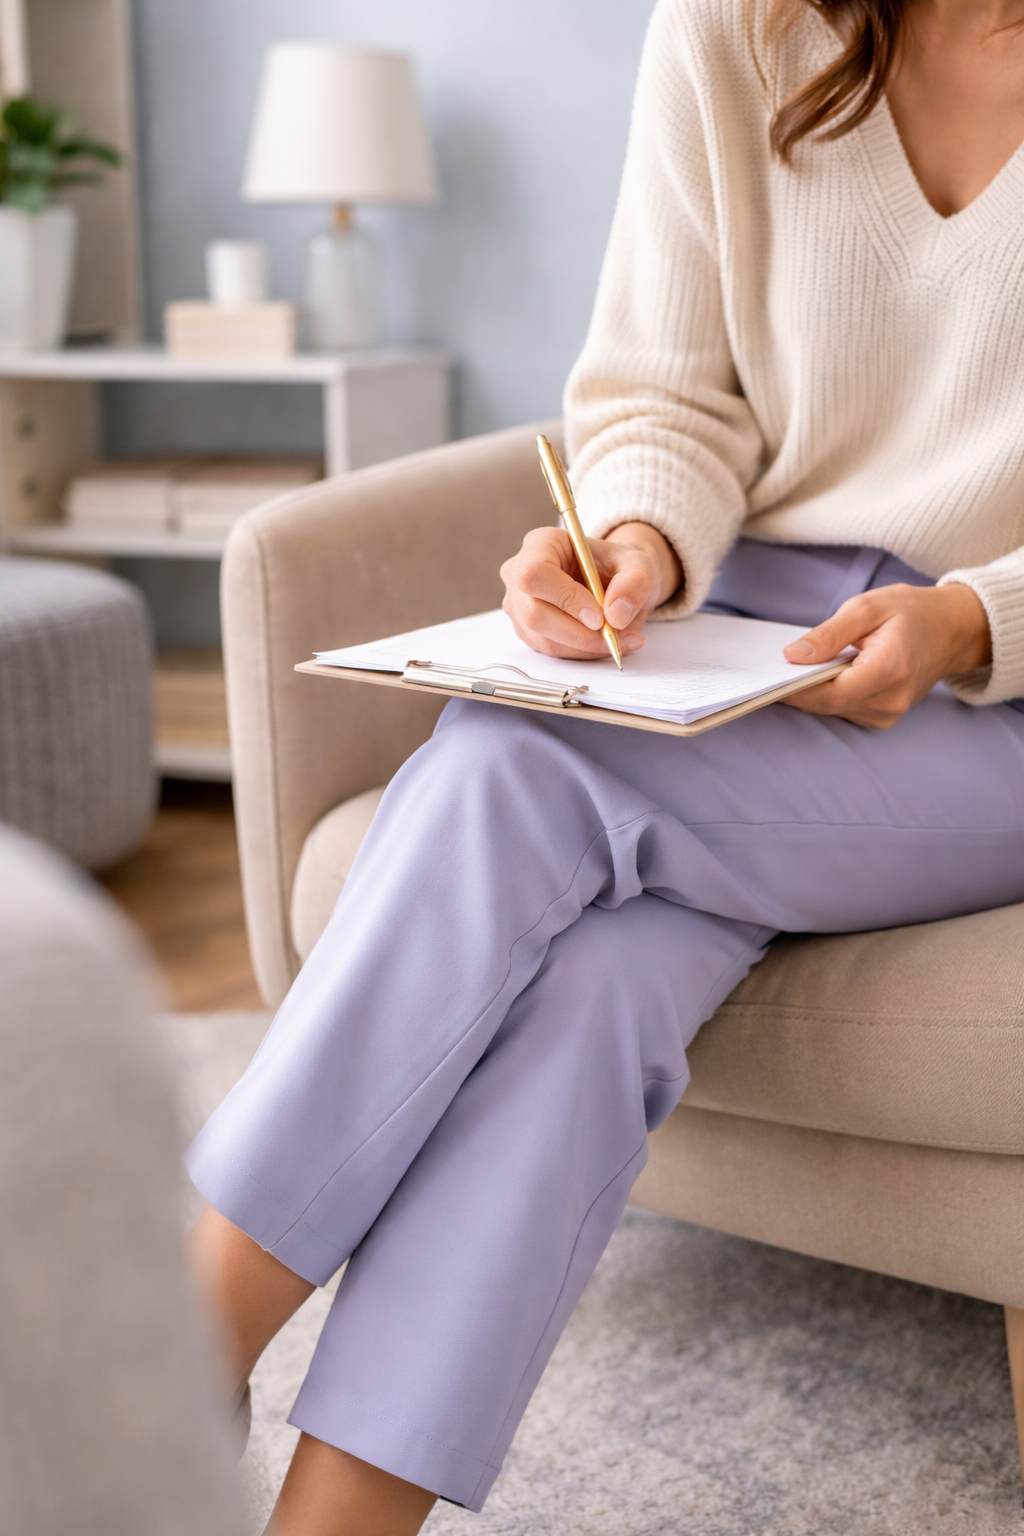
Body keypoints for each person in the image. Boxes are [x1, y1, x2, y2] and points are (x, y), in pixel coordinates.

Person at [186, 0, 1024, 1528]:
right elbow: (663, 391)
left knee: (516, 763)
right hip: (749, 643)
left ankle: (159, 1353)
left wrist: (978, 616)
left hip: (1000, 701)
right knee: (592, 989)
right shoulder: (739, 26)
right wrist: (629, 544)